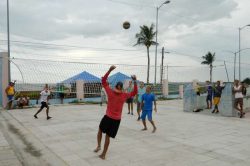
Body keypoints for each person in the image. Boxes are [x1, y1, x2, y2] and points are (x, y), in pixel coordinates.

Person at [94, 65, 138, 160]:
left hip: (109, 118)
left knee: (101, 132)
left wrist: (109, 70)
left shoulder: (111, 92)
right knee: (105, 135)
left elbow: (103, 81)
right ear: (121, 88)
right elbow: (135, 92)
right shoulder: (124, 95)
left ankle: (100, 149)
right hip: (115, 120)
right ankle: (102, 151)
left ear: (115, 87)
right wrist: (135, 81)